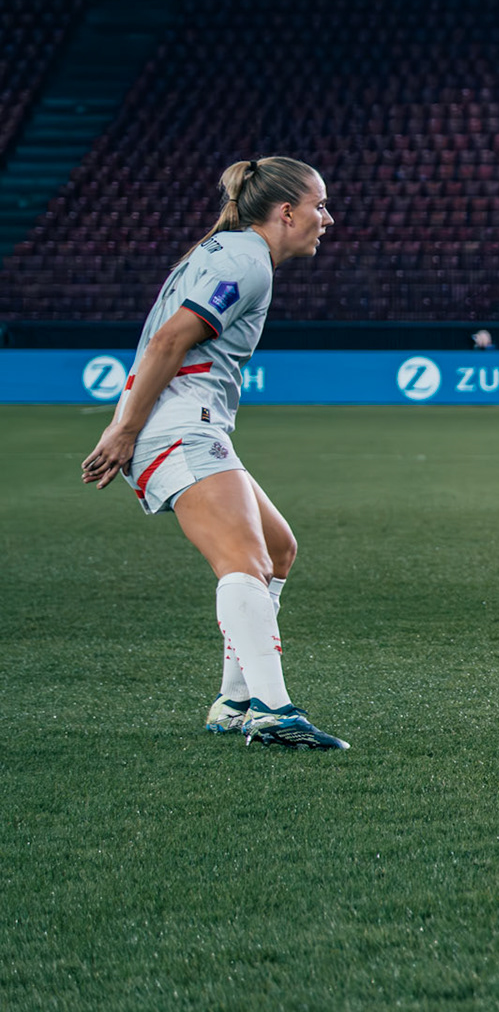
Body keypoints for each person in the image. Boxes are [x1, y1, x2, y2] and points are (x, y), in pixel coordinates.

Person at [80, 156, 349, 750]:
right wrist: (124, 430)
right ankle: (275, 713)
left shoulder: (229, 250)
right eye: (318, 206)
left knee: (277, 550)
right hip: (176, 428)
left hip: (187, 426)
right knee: (245, 561)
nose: (326, 218)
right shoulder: (246, 260)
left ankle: (234, 702)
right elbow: (171, 337)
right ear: (285, 212)